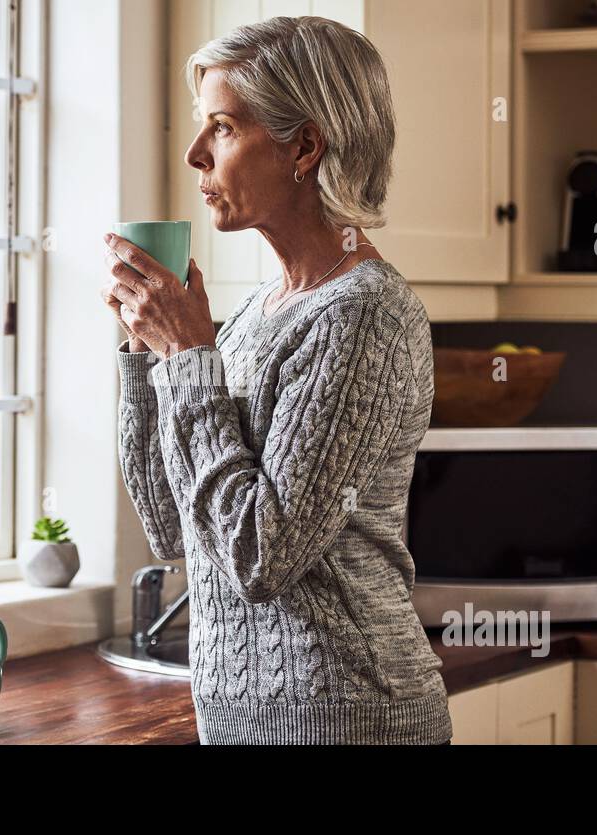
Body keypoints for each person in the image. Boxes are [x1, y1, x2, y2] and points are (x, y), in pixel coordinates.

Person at [100, 15, 451, 745]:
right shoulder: (256, 314)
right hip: (239, 726)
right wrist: (147, 356)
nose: (196, 153)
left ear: (305, 145)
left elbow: (261, 555)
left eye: (222, 128)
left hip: (349, 722)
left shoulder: (363, 317)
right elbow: (172, 527)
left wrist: (192, 359)